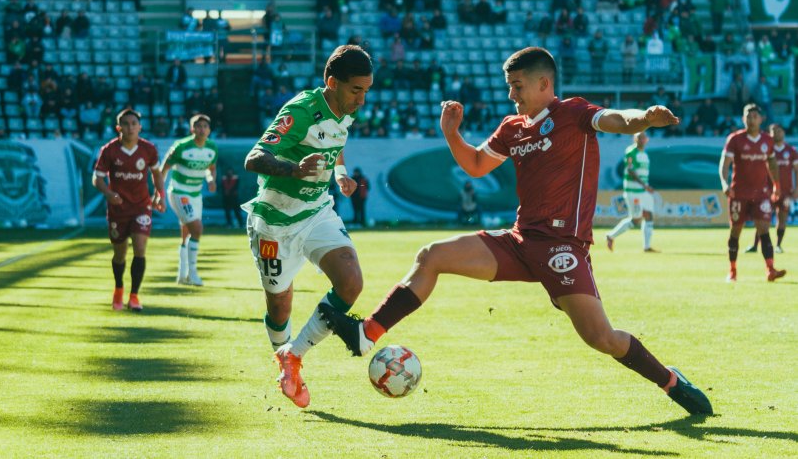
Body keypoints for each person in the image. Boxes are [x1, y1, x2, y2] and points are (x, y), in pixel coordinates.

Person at [320, 47, 713, 416]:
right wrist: (451, 133)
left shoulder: (574, 113)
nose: (511, 95)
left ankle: (671, 381)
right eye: (509, 86)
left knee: (602, 338)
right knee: (431, 255)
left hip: (563, 247)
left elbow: (617, 120)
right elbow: (475, 165)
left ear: (544, 84)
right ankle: (366, 334)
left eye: (517, 86)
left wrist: (644, 118)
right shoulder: (513, 128)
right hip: (520, 241)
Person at [242, 45, 372, 408]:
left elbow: (337, 143)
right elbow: (253, 158)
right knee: (280, 305)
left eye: (367, 90)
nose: (362, 99)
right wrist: (294, 169)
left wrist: (341, 174)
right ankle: (282, 357)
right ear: (332, 82)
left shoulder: (345, 110)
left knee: (351, 281)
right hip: (274, 222)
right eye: (356, 90)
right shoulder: (301, 111)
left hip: (316, 211)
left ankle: (294, 356)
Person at [92, 109, 166, 311]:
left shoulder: (148, 149)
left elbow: (157, 174)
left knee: (140, 249)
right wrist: (108, 193)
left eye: (134, 123)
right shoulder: (109, 150)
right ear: (118, 128)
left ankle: (134, 296)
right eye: (126, 123)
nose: (130, 127)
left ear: (140, 127)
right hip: (118, 208)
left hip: (142, 206)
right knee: (119, 254)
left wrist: (160, 194)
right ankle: (118, 289)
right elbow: (96, 178)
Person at [719, 104, 786, 282]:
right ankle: (732, 271)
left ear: (761, 119)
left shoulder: (767, 140)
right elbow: (724, 164)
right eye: (748, 116)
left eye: (754, 116)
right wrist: (725, 183)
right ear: (743, 119)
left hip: (761, 194)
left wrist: (776, 185)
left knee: (764, 228)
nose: (751, 119)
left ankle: (770, 269)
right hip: (738, 193)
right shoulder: (735, 139)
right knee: (735, 231)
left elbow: (772, 164)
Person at [160, 114, 218, 286]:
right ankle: (193, 273)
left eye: (205, 126)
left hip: (196, 194)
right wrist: (159, 192)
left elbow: (211, 168)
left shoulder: (212, 148)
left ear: (209, 130)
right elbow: (164, 168)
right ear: (192, 129)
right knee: (197, 228)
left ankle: (182, 274)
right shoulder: (181, 146)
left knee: (186, 232)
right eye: (198, 126)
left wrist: (210, 179)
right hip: (179, 192)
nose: (202, 129)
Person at [745, 123, 798, 254]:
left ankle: (778, 245)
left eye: (779, 130)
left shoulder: (791, 151)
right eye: (773, 131)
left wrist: (797, 189)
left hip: (786, 192)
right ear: (769, 134)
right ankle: (755, 245)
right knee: (761, 219)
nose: (776, 133)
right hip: (766, 191)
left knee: (782, 218)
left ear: (783, 133)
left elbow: (797, 171)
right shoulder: (766, 149)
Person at [606, 132, 658, 252]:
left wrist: (646, 186)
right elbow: (630, 171)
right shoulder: (631, 152)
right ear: (635, 139)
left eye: (643, 137)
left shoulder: (645, 154)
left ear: (647, 140)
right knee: (636, 219)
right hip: (633, 191)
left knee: (649, 215)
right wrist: (645, 185)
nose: (641, 140)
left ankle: (647, 246)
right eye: (639, 137)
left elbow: (643, 173)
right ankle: (611, 236)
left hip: (643, 190)